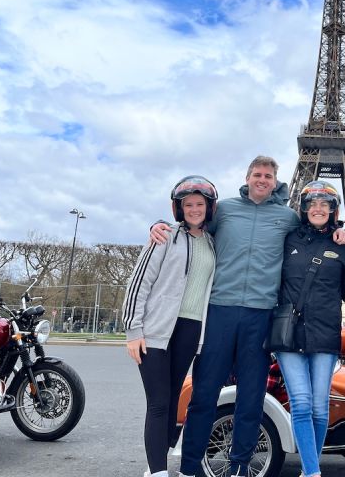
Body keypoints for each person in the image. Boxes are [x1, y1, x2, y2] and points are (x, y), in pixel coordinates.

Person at [148, 156, 345, 477]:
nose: (262, 179)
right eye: (257, 174)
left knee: (252, 397)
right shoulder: (224, 210)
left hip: (260, 316)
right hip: (220, 312)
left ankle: (240, 465)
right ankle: (189, 468)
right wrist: (160, 224)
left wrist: (339, 230)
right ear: (247, 177)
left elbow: (316, 226)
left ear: (275, 180)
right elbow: (193, 223)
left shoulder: (285, 217)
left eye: (268, 175)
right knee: (204, 392)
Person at [123, 175, 219, 477]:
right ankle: (159, 472)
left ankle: (155, 464)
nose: (194, 209)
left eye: (199, 204)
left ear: (209, 207)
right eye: (188, 204)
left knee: (173, 394)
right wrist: (133, 330)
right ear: (179, 208)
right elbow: (140, 282)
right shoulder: (165, 236)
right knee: (159, 402)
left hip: (190, 330)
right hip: (156, 329)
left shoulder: (212, 242)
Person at [273, 181, 345, 477]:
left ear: (333, 211)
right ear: (304, 208)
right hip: (289, 332)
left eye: (325, 204)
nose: (318, 209)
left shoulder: (342, 244)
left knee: (320, 408)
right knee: (302, 402)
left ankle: (310, 469)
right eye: (313, 204)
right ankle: (312, 472)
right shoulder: (287, 238)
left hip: (324, 332)